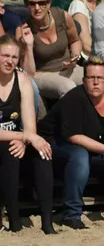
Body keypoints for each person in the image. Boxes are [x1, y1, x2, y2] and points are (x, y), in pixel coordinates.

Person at [37, 57, 104, 230]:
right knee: (79, 155)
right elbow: (73, 136)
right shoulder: (74, 98)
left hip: (98, 144)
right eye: (90, 78)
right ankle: (71, 214)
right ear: (84, 80)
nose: (95, 82)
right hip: (55, 143)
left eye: (99, 78)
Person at [0, 34, 54, 234]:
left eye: (14, 57)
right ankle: (14, 221)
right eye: (5, 56)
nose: (10, 61)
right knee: (10, 151)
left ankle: (47, 222)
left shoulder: (22, 80)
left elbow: (30, 126)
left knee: (43, 152)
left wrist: (25, 138)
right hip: (6, 140)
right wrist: (22, 137)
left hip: (16, 136)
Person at [15, 0, 82, 100]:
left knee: (98, 78)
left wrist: (75, 56)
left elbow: (75, 40)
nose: (37, 8)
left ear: (49, 4)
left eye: (41, 3)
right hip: (43, 73)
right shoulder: (22, 30)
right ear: (27, 6)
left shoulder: (62, 16)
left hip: (69, 69)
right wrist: (29, 46)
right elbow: (27, 74)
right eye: (32, 4)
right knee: (68, 87)